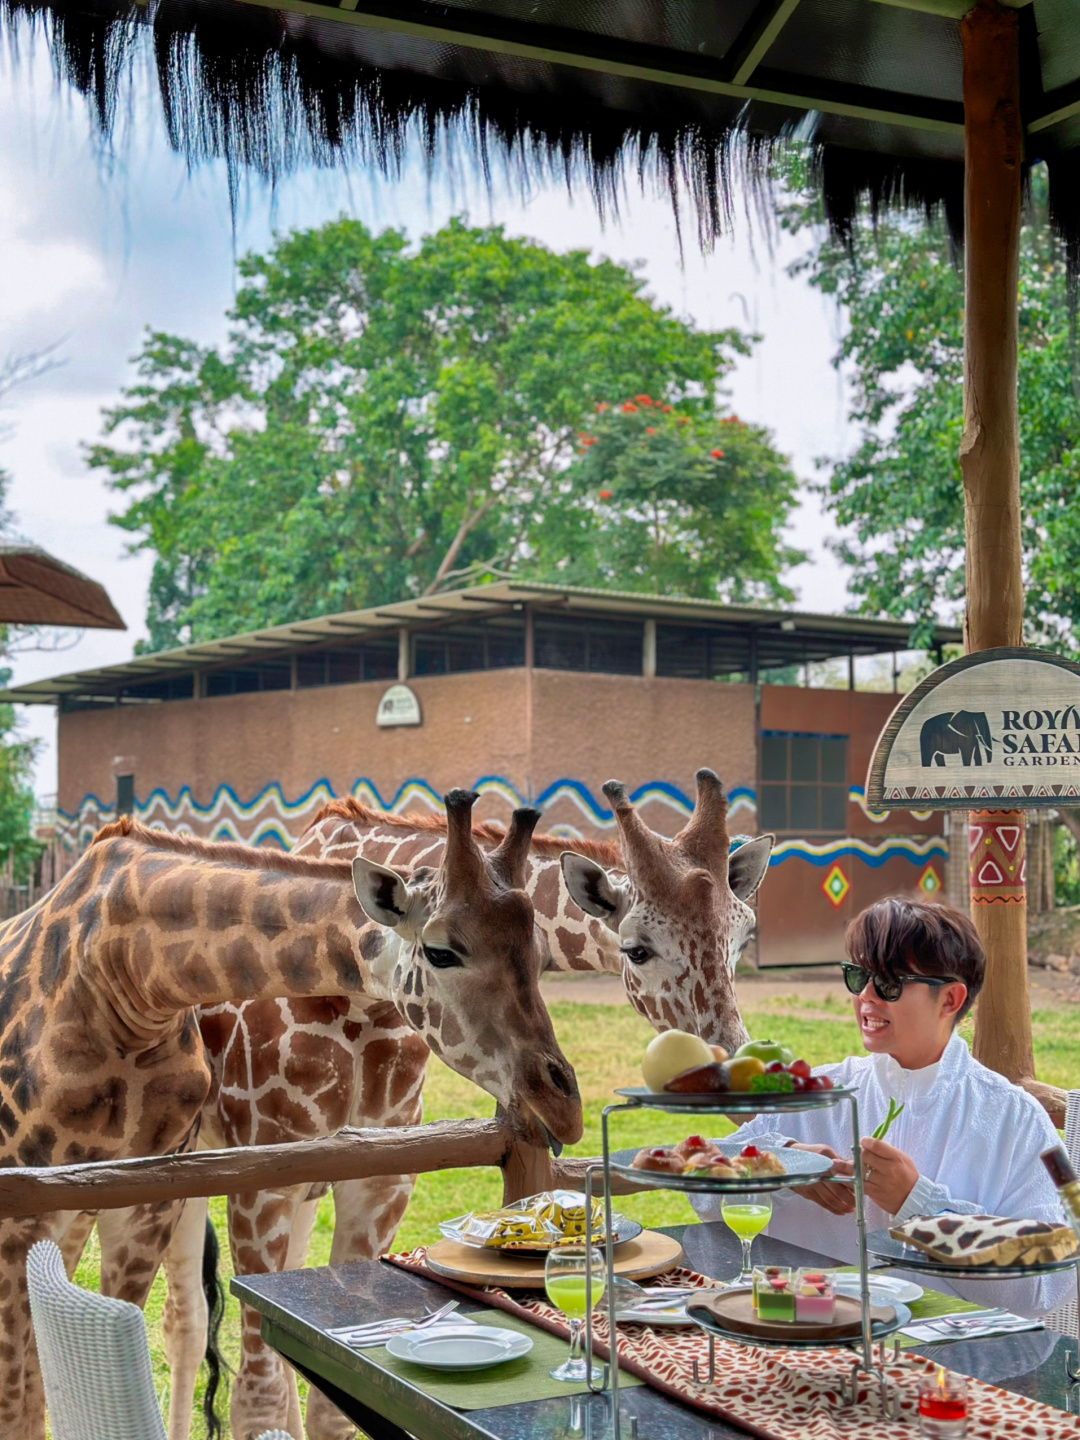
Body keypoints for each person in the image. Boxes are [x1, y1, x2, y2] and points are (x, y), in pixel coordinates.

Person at [690, 897, 1072, 1317]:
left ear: (950, 999)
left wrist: (920, 1205)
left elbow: (1045, 1286)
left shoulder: (1017, 1120)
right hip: (801, 1342)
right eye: (858, 976)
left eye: (888, 983)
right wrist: (780, 1164)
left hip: (948, 1368)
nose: (866, 997)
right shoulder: (819, 1093)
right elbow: (700, 1192)